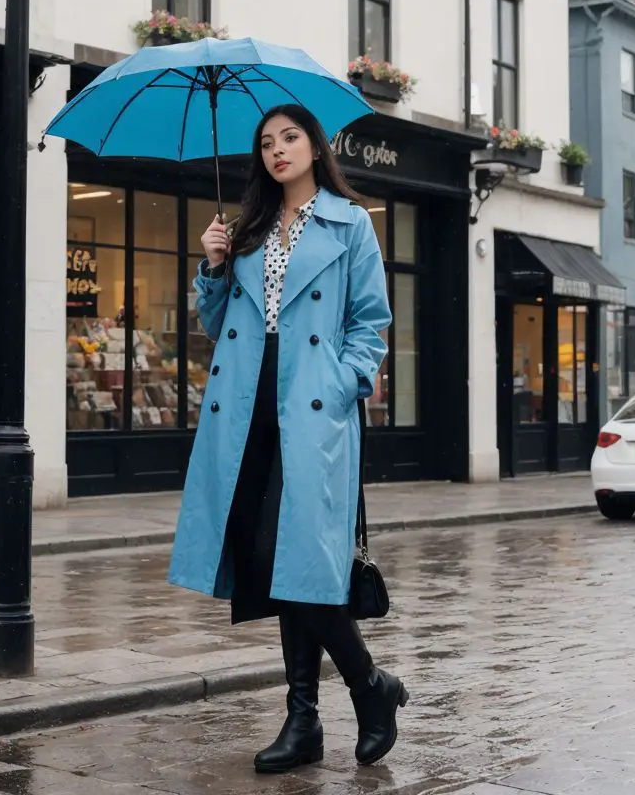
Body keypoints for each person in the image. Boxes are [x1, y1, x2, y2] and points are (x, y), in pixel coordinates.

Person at [168, 104, 406, 773]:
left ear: (314, 146)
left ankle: (366, 686)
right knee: (275, 562)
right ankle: (306, 720)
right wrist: (212, 267)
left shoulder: (350, 224)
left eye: (290, 138)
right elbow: (218, 324)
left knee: (291, 554)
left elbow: (370, 325)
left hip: (312, 403)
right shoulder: (249, 229)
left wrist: (342, 381)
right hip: (248, 405)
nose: (278, 151)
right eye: (267, 143)